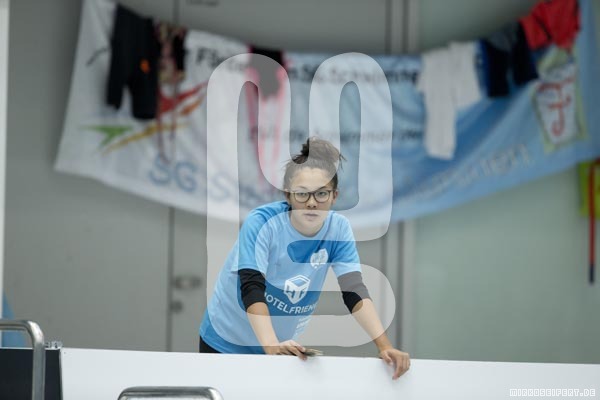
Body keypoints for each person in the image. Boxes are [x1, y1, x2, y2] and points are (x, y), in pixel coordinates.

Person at [199, 137, 410, 379]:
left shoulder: (338, 229)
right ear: (288, 195)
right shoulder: (262, 222)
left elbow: (354, 290)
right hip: (226, 340)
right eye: (302, 194)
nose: (311, 203)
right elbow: (251, 286)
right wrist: (270, 344)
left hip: (278, 345)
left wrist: (385, 346)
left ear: (334, 196)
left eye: (321, 194)